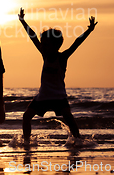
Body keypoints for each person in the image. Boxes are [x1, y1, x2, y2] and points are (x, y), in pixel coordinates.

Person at [18, 8, 97, 143]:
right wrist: (22, 21)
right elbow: (33, 37)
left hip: (59, 96)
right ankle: (26, 142)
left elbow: (76, 43)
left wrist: (89, 30)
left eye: (45, 44)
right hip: (43, 96)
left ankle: (78, 140)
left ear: (55, 45)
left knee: (69, 118)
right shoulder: (45, 55)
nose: (42, 46)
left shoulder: (62, 58)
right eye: (42, 44)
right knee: (26, 117)